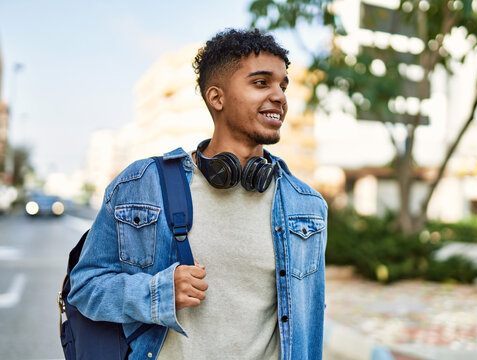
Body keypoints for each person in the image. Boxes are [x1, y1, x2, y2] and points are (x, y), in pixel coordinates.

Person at [68, 28, 327, 360]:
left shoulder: (307, 207)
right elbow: (86, 286)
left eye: (283, 85)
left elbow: (308, 326)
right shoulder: (142, 185)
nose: (279, 96)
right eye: (261, 83)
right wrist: (158, 292)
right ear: (216, 97)